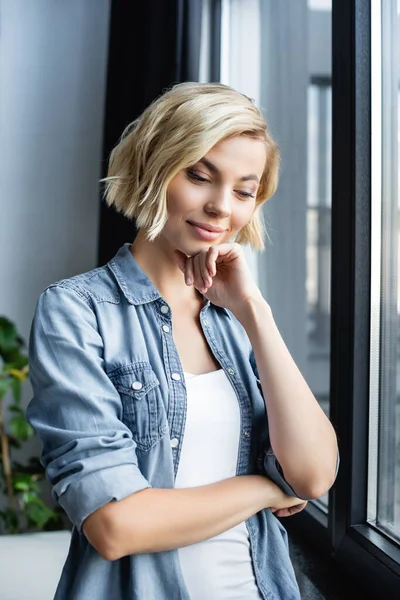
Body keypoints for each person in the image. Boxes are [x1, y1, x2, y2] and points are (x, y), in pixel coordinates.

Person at [26, 82, 339, 600]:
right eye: (199, 176)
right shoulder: (75, 311)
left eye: (243, 190)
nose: (220, 207)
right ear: (155, 165)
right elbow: (115, 526)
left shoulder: (237, 317)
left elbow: (311, 476)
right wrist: (264, 489)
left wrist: (254, 312)